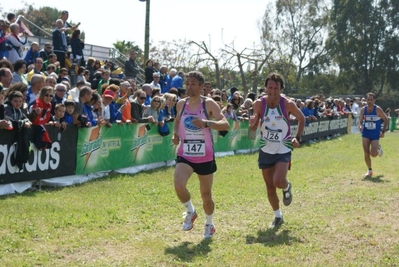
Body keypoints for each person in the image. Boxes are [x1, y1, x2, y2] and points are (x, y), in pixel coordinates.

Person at [172, 70, 229, 239]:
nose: (189, 87)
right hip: (185, 154)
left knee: (206, 195)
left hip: (205, 156)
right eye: (187, 83)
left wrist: (206, 123)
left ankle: (209, 224)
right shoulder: (181, 104)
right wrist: (175, 134)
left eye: (193, 84)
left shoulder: (209, 104)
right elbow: (176, 122)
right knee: (178, 185)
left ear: (202, 87)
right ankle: (190, 211)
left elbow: (225, 124)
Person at [249, 72, 305, 229]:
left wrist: (297, 138)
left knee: (278, 181)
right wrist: (252, 124)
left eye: (276, 88)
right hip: (266, 148)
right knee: (270, 187)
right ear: (266, 88)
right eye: (269, 87)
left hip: (284, 146)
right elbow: (252, 130)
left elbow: (301, 119)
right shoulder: (259, 104)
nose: (272, 91)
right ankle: (278, 216)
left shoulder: (287, 104)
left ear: (281, 89)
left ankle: (287, 187)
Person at [358, 92, 388, 177]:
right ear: (366, 100)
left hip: (375, 134)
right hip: (366, 133)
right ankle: (369, 170)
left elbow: (385, 119)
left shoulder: (378, 109)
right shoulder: (363, 109)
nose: (369, 101)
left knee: (373, 154)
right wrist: (360, 126)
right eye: (368, 99)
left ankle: (378, 148)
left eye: (371, 99)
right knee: (366, 152)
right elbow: (360, 121)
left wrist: (383, 132)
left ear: (374, 100)